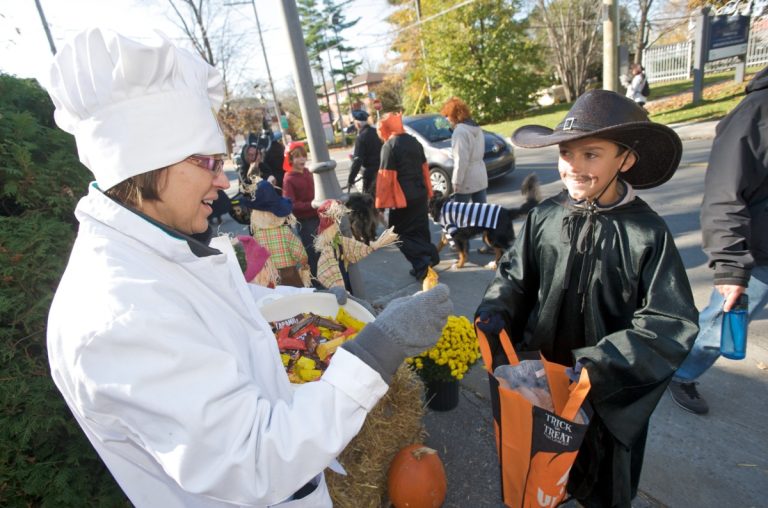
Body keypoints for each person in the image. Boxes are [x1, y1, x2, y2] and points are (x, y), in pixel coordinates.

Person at [44, 28, 452, 507]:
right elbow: (257, 458)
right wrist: (380, 348)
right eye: (209, 161)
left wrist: (317, 303)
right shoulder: (118, 316)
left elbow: (219, 310)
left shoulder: (153, 253)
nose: (222, 179)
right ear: (151, 165)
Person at [475, 90, 698, 507]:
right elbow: (515, 279)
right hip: (541, 376)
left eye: (591, 155)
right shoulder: (545, 217)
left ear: (625, 160)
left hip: (605, 391)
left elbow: (669, 321)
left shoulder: (647, 233)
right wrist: (495, 310)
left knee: (602, 478)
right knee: (540, 465)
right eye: (565, 153)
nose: (573, 167)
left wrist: (603, 361)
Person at [667, 65, 768, 415]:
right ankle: (681, 372)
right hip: (758, 255)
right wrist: (730, 265)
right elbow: (725, 192)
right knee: (720, 322)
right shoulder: (758, 111)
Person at [376, 112, 440, 281]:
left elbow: (385, 178)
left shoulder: (389, 146)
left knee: (396, 234)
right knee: (419, 230)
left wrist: (380, 206)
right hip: (419, 194)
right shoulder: (414, 141)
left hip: (402, 199)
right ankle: (424, 263)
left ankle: (424, 262)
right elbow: (425, 169)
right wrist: (429, 193)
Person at [282, 141, 321, 282]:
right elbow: (291, 204)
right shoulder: (288, 179)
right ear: (291, 159)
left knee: (325, 251)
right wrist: (311, 205)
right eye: (298, 157)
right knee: (313, 253)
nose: (302, 159)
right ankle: (317, 282)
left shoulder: (308, 172)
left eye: (304, 156)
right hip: (305, 222)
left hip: (319, 217)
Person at [440, 96, 488, 204]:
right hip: (480, 176)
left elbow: (461, 160)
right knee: (481, 214)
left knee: (460, 215)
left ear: (453, 115)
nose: (446, 119)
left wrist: (456, 182)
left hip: (466, 180)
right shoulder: (477, 128)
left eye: (447, 116)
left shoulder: (460, 132)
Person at [346, 110, 382, 195]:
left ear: (357, 124)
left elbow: (358, 160)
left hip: (370, 175)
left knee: (370, 201)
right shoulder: (377, 132)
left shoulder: (361, 138)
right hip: (383, 171)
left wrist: (351, 179)